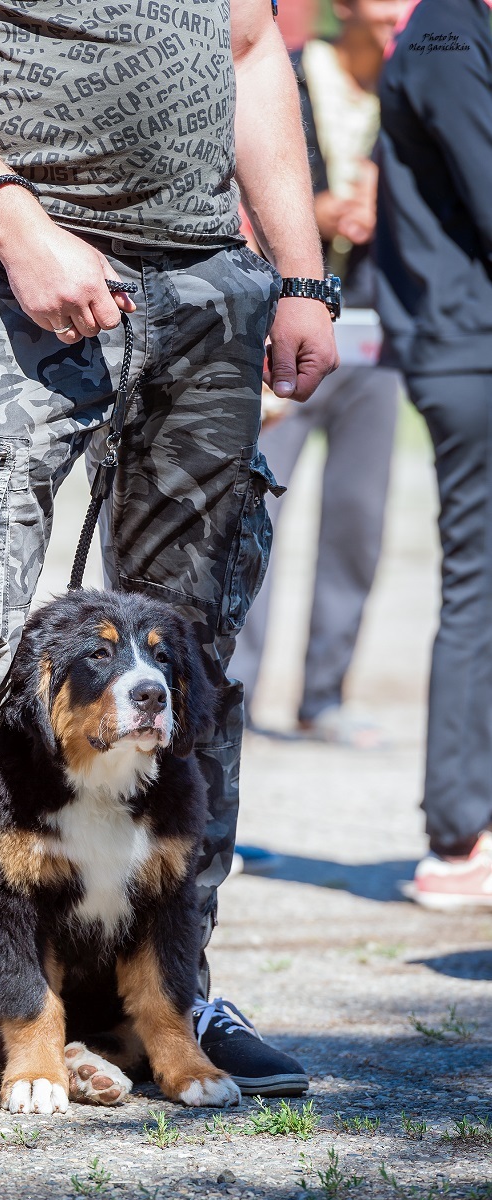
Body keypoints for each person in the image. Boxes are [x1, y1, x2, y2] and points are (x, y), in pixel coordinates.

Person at [0, 0, 339, 1135]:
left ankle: (173, 999)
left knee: (189, 672)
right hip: (4, 281)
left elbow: (251, 50)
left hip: (210, 292)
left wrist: (300, 276)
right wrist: (17, 228)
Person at [229, 0, 405, 747]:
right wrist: (316, 217)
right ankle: (236, 697)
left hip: (379, 336)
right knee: (257, 517)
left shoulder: (419, 86)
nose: (400, 8)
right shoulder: (287, 76)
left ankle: (323, 696)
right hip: (284, 327)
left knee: (358, 523)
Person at [375, 0, 492, 907]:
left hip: (465, 345)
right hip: (470, 351)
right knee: (479, 586)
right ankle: (462, 837)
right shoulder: (447, 33)